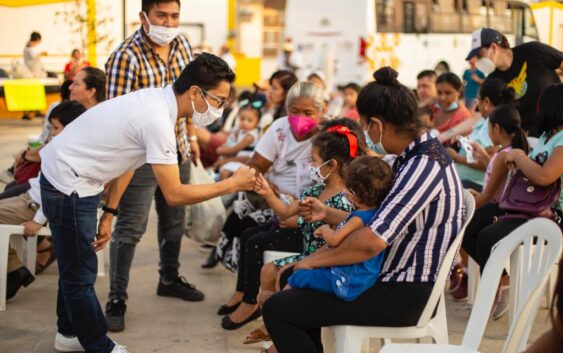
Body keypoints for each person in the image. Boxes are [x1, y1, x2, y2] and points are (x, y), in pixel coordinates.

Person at [39, 53, 256, 353]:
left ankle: (67, 333)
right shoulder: (157, 119)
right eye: (219, 100)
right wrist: (232, 184)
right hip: (68, 183)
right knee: (80, 274)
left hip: (73, 177)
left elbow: (128, 160)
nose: (221, 108)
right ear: (195, 92)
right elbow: (175, 194)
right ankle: (99, 345)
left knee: (74, 264)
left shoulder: (158, 102)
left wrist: (110, 213)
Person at [261, 67, 465, 353]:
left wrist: (313, 261)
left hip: (403, 292)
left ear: (377, 125)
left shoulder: (424, 166)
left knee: (278, 308)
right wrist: (329, 214)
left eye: (366, 126)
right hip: (387, 276)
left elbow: (370, 242)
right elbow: (375, 221)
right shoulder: (413, 157)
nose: (367, 134)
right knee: (288, 280)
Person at [103, 0, 201, 333]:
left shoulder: (183, 44)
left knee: (174, 222)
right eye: (161, 16)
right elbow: (114, 119)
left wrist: (192, 138)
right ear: (144, 16)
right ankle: (116, 298)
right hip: (140, 157)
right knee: (130, 228)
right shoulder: (125, 57)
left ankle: (169, 278)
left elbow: (191, 96)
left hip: (177, 150)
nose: (169, 22)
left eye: (174, 16)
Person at [216, 82, 325, 330]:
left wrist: (295, 214)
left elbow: (330, 192)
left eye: (308, 113)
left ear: (321, 111)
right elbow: (256, 167)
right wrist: (273, 192)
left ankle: (251, 301)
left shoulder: (327, 138)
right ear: (286, 110)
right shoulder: (279, 130)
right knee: (243, 226)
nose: (300, 119)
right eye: (294, 111)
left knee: (254, 239)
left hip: (309, 213)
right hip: (282, 202)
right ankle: (243, 290)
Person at [462, 83, 563, 318]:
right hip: (528, 206)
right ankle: (503, 279)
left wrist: (518, 155)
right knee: (468, 224)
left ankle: (500, 285)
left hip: (552, 215)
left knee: (488, 236)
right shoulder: (550, 135)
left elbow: (545, 176)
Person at [3, 101, 86, 304]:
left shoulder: (68, 155)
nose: (52, 134)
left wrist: (39, 220)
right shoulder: (63, 148)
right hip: (30, 198)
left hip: (32, 206)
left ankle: (14, 270)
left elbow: (59, 192)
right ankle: (14, 268)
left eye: (56, 128)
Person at [466, 27, 563, 137]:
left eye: (479, 55)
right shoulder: (492, 82)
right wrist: (447, 134)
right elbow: (478, 116)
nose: (477, 61)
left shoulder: (533, 51)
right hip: (531, 141)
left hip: (559, 128)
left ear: (493, 47)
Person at [447, 78, 515, 191]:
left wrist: (457, 158)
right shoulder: (485, 121)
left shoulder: (494, 126)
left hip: (476, 186)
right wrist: (462, 141)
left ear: (487, 102)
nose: (477, 103)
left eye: (478, 99)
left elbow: (489, 163)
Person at [213, 98, 262, 180]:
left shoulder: (250, 136)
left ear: (257, 122)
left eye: (249, 120)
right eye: (242, 119)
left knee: (225, 171)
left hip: (245, 161)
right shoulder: (240, 129)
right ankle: (215, 178)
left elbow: (235, 149)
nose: (245, 122)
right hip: (237, 157)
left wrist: (222, 150)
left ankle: (223, 190)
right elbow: (229, 133)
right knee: (220, 164)